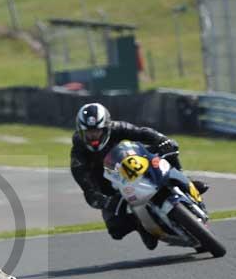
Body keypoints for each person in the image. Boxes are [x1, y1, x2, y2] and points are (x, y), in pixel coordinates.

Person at [70, 103, 208, 250]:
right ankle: (141, 225)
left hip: (133, 164)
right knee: (115, 229)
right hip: (110, 186)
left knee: (168, 150)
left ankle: (183, 180)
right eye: (89, 132)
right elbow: (89, 192)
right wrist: (105, 202)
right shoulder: (78, 156)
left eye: (97, 131)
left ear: (107, 127)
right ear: (80, 132)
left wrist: (161, 140)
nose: (93, 136)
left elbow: (142, 133)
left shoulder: (118, 128)